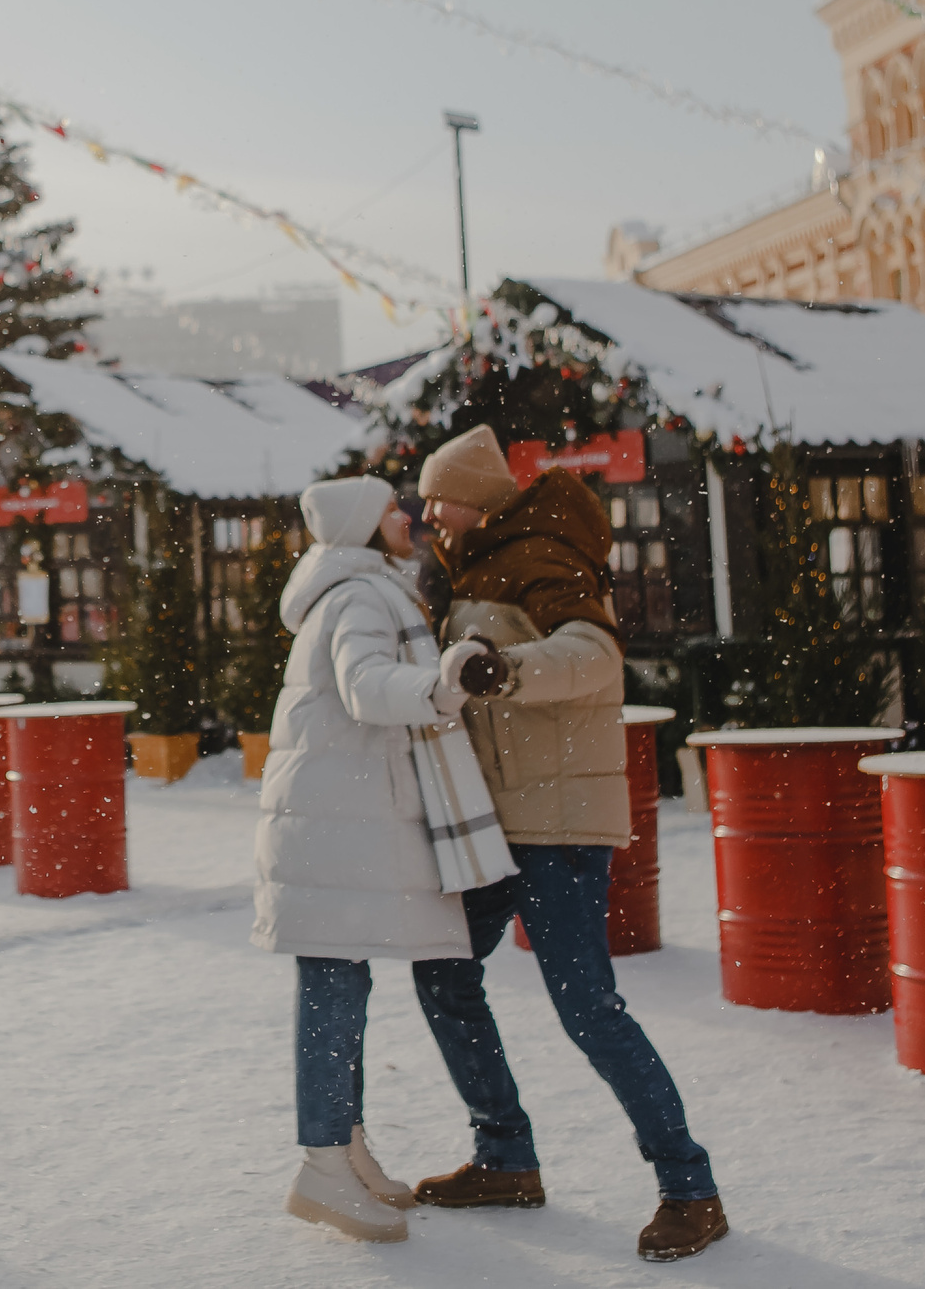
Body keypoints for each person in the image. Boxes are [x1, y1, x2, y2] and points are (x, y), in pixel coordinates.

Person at [408, 425, 727, 1263]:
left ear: (475, 499)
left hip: (556, 824)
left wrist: (502, 669)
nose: (430, 512)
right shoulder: (477, 564)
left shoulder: (541, 557)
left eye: (439, 496)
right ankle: (505, 1154)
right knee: (442, 969)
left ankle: (689, 1187)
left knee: (587, 1007)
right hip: (501, 821)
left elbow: (595, 655)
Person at [253, 473, 482, 1246]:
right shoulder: (356, 595)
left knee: (340, 984)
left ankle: (343, 1144)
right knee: (332, 991)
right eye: (390, 507)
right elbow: (364, 686)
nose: (405, 515)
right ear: (360, 525)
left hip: (334, 824)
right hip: (333, 826)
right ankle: (322, 1159)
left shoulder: (363, 585)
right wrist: (442, 684)